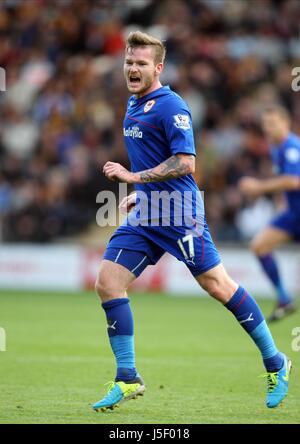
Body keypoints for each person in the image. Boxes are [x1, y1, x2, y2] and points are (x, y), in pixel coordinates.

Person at [92, 31, 291, 412]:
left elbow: (186, 163)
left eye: (141, 63)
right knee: (108, 282)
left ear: (159, 67)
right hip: (149, 212)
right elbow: (153, 157)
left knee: (217, 285)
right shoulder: (134, 104)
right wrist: (142, 192)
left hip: (180, 214)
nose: (133, 69)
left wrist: (134, 178)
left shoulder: (172, 106)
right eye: (129, 62)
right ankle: (127, 376)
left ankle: (276, 361)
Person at [239, 107, 298, 322]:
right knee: (259, 246)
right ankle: (284, 298)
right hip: (293, 215)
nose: (268, 129)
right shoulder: (276, 148)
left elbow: (293, 181)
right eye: (266, 124)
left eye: (273, 123)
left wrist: (258, 187)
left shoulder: (292, 147)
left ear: (286, 122)